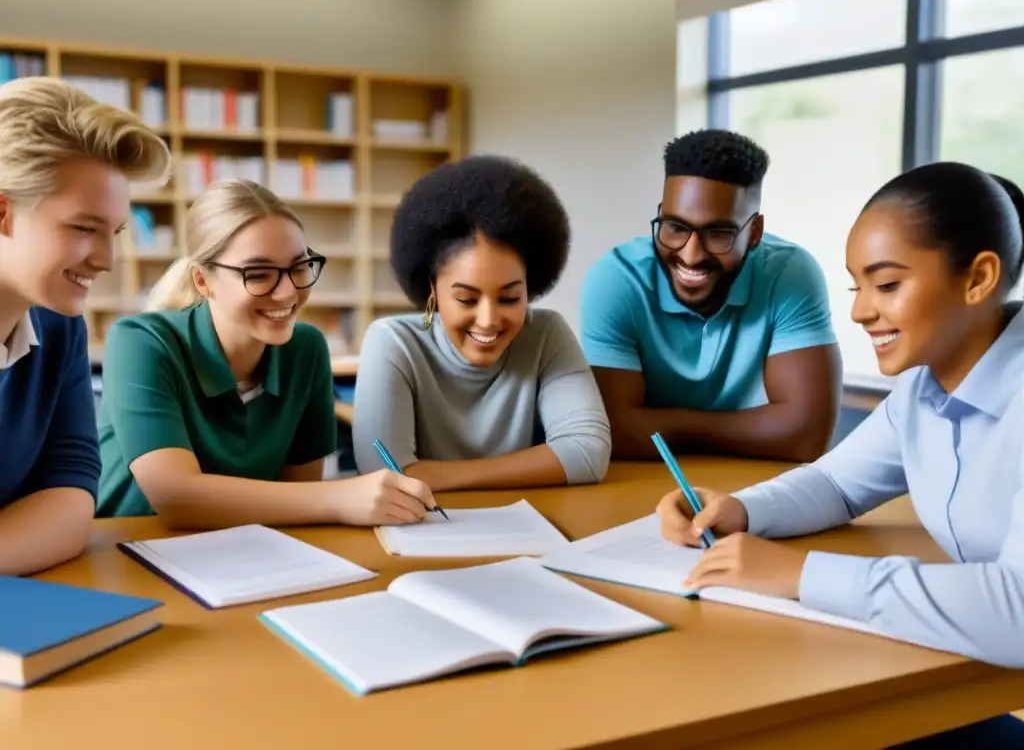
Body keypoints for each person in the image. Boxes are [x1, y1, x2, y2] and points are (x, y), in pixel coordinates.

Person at [657, 162, 1024, 747]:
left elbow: (1018, 613)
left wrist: (798, 574)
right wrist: (740, 511)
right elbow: (839, 484)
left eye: (887, 285)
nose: (859, 312)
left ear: (978, 277)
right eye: (858, 287)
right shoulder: (923, 388)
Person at [95, 179, 435, 528]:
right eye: (258, 274)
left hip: (246, 554)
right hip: (127, 549)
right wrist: (342, 497)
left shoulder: (305, 349)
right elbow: (177, 498)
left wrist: (333, 502)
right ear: (202, 281)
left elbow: (300, 500)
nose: (287, 293)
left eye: (299, 267)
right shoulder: (140, 343)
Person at [580, 129, 842, 463]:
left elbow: (806, 437)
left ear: (754, 233)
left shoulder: (791, 274)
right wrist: (761, 425)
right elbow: (610, 431)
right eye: (675, 227)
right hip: (645, 478)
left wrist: (666, 427)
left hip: (755, 483)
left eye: (718, 234)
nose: (690, 255)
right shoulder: (616, 279)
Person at [352, 155, 611, 492]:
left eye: (509, 298)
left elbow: (588, 453)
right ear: (433, 289)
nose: (488, 321)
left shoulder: (547, 334)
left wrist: (431, 475)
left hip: (532, 526)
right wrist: (542, 463)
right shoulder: (393, 342)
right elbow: (383, 473)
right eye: (466, 299)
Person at [0, 76, 172, 574]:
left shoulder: (58, 327)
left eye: (115, 231)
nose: (108, 260)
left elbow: (70, 501)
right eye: (84, 228)